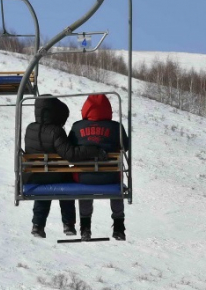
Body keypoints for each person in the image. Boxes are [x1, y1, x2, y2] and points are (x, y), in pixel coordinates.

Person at [24, 96, 104, 238]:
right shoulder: (55, 131)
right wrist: (93, 150)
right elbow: (70, 154)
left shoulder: (30, 128)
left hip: (33, 176)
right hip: (56, 175)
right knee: (67, 183)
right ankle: (68, 224)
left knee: (43, 190)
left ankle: (38, 225)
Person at [68, 94, 130, 241]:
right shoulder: (116, 127)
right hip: (110, 177)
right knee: (116, 185)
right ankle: (119, 228)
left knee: (85, 185)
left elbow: (69, 150)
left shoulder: (77, 127)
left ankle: (85, 228)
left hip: (84, 177)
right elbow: (125, 147)